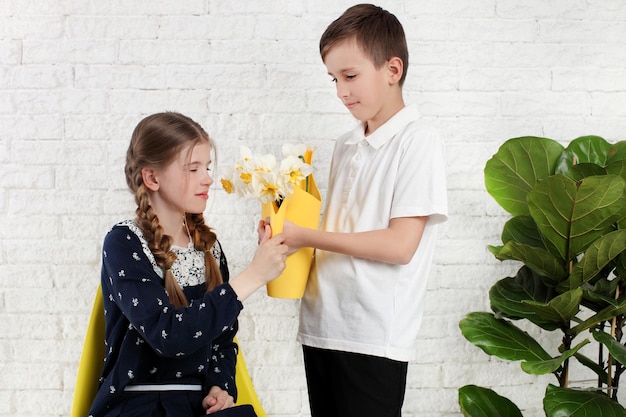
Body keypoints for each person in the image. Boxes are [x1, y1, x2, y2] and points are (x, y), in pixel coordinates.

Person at [279, 4, 448, 417]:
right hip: (321, 325)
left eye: (350, 76)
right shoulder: (345, 144)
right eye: (334, 79)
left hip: (372, 335)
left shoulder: (418, 140)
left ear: (393, 69)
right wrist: (286, 228)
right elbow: (342, 229)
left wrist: (306, 236)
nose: (341, 91)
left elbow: (399, 245)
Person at [89, 112, 288, 417]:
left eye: (207, 167)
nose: (207, 177)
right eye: (193, 168)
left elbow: (222, 340)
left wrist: (219, 388)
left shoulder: (208, 247)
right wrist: (253, 275)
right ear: (152, 178)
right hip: (140, 406)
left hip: (195, 406)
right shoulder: (124, 243)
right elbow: (167, 335)